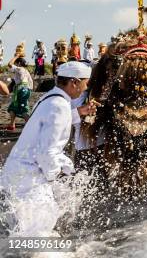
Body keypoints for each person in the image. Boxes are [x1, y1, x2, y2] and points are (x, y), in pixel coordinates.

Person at [0, 61, 95, 236]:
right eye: (85, 82)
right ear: (74, 82)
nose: (85, 87)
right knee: (38, 231)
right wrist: (56, 177)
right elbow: (47, 152)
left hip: (19, 173)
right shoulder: (59, 105)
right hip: (29, 178)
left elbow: (46, 122)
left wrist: (78, 113)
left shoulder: (51, 97)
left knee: (24, 230)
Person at [3, 56, 34, 131]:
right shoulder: (26, 71)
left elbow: (9, 64)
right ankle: (12, 124)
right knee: (13, 107)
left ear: (19, 63)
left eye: (16, 63)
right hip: (27, 90)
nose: (15, 64)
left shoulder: (19, 68)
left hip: (21, 90)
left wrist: (16, 56)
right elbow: (31, 83)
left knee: (22, 109)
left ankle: (30, 125)